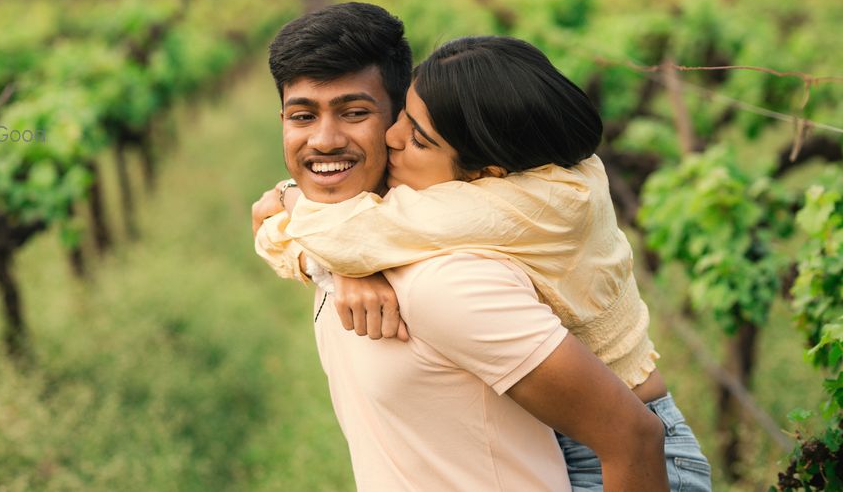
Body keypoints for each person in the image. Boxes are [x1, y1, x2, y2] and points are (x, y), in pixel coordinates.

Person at [256, 34, 712, 491]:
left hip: (629, 451)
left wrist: (299, 211)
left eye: (416, 137)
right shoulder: (550, 172)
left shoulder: (504, 216)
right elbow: (331, 230)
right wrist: (332, 262)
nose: (392, 137)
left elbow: (347, 233)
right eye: (402, 118)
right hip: (585, 428)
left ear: (483, 174)